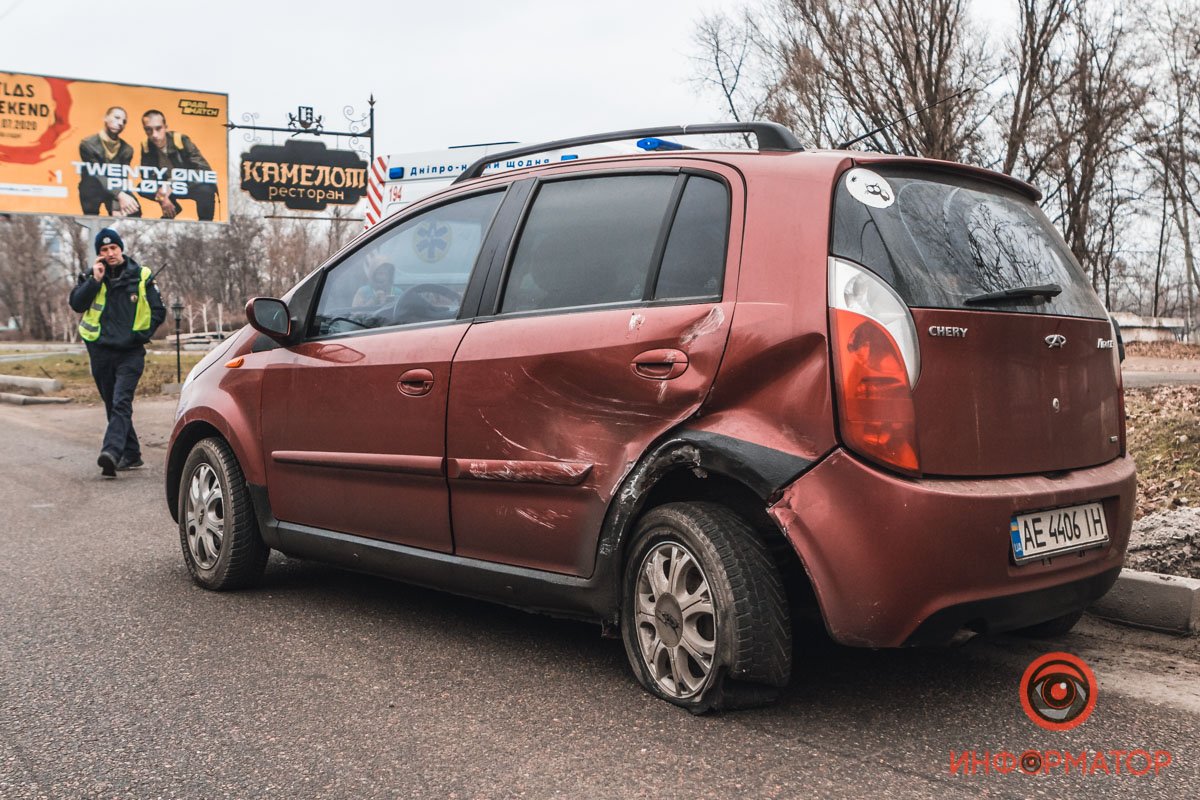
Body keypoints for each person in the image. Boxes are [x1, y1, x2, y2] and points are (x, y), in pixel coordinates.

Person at [68, 228, 166, 477]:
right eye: (104, 250)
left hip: (130, 352)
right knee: (113, 404)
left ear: (121, 248)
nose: (110, 253)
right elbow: (77, 304)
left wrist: (141, 336)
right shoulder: (92, 276)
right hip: (100, 350)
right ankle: (132, 454)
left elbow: (158, 311)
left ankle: (111, 452)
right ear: (99, 254)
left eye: (113, 248)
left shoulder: (141, 275)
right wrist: (95, 280)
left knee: (121, 401)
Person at [138, 110, 217, 220]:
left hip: (189, 184)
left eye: (158, 128)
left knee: (207, 189)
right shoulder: (147, 146)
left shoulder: (180, 140)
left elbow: (204, 170)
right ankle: (172, 207)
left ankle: (206, 223)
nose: (154, 135)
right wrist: (162, 198)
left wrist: (172, 184)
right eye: (148, 130)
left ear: (165, 127)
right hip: (166, 188)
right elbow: (147, 176)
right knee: (142, 187)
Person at [77, 107, 142, 217]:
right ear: (105, 118)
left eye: (124, 121)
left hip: (115, 187)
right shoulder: (87, 144)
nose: (120, 123)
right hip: (93, 187)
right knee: (90, 213)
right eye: (116, 118)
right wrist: (119, 195)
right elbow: (96, 174)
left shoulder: (127, 149)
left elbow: (121, 177)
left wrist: (116, 205)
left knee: (135, 209)